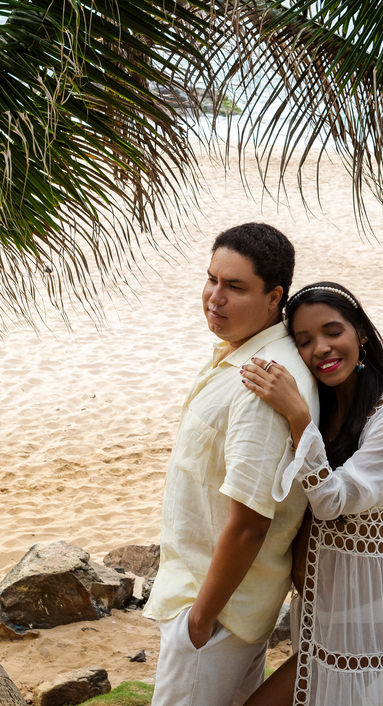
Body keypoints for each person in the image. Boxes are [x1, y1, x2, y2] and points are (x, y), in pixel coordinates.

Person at [144, 223, 320, 706]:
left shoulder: (262, 383)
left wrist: (199, 623)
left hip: (216, 613)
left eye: (235, 287)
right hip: (219, 605)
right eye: (212, 279)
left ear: (273, 297)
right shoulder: (244, 351)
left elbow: (251, 523)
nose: (214, 297)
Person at [238, 282, 383, 706]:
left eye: (332, 331)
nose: (320, 348)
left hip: (369, 610)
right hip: (325, 607)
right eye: (304, 341)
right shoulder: (326, 404)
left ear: (360, 333)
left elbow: (333, 500)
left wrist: (298, 416)